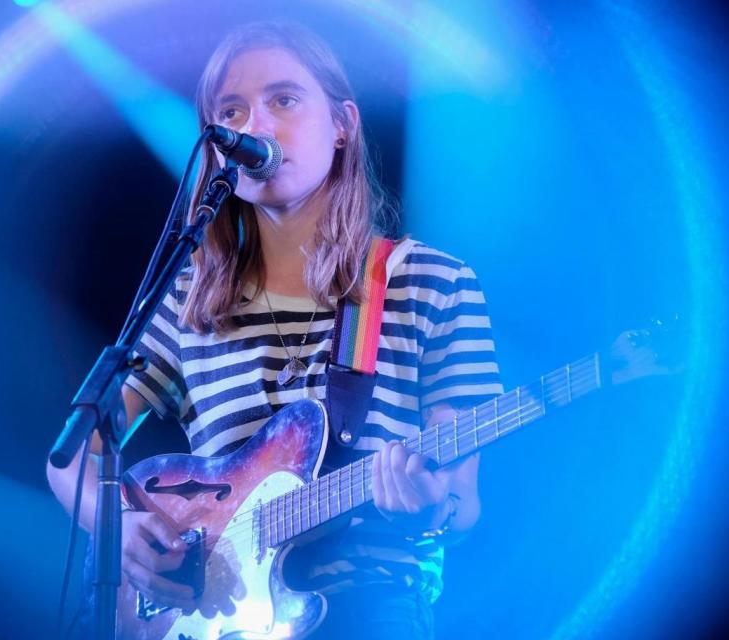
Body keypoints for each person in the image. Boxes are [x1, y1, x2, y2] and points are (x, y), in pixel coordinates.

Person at [47, 21, 503, 639]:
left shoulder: (432, 282)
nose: (255, 125)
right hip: (221, 619)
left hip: (370, 609)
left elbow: (463, 504)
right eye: (232, 110)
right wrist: (120, 528)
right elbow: (72, 457)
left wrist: (427, 510)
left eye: (283, 100)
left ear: (342, 125)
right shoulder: (188, 300)